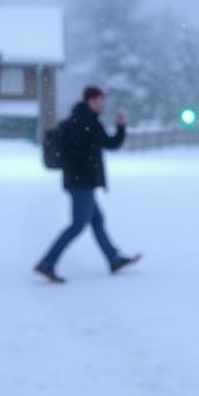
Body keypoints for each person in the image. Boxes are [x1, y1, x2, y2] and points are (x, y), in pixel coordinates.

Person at [34, 86, 140, 283]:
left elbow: (99, 146)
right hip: (81, 183)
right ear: (91, 101)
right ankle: (47, 263)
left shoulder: (80, 120)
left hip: (79, 182)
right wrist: (121, 127)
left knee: (97, 221)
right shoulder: (85, 123)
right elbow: (110, 144)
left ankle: (113, 258)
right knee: (77, 225)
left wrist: (120, 127)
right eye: (100, 101)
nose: (103, 105)